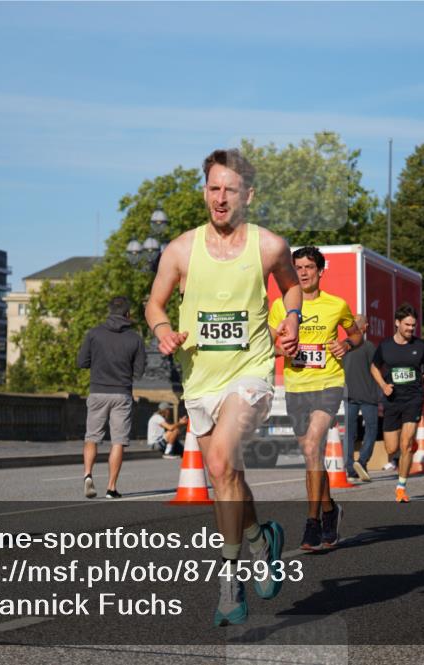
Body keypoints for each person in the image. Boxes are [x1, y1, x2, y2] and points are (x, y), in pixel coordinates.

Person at [145, 148, 301, 627]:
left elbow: (291, 286)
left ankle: (229, 582)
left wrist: (291, 320)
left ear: (248, 195)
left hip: (251, 372)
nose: (220, 197)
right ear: (205, 192)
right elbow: (154, 303)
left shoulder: (270, 246)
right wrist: (163, 330)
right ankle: (260, 539)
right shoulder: (180, 250)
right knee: (226, 476)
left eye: (230, 189)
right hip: (200, 380)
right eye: (213, 188)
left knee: (219, 463)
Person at [268, 246, 362, 550]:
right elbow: (267, 345)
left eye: (309, 267)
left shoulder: (336, 305)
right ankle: (330, 510)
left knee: (311, 446)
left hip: (328, 384)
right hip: (295, 387)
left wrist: (346, 345)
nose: (303, 273)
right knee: (312, 456)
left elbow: (357, 334)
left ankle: (312, 524)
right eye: (297, 268)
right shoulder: (281, 307)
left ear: (321, 271)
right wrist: (282, 350)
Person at [77, 296, 146, 500]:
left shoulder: (94, 334)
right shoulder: (135, 338)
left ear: (109, 312)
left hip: (98, 391)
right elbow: (139, 371)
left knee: (92, 437)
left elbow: (82, 362)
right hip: (121, 393)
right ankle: (111, 488)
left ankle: (88, 474)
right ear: (128, 314)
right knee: (118, 441)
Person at [370, 303, 424, 503]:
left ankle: (401, 486)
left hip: (414, 398)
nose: (411, 329)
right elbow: (374, 367)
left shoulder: (420, 346)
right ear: (397, 323)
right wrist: (383, 385)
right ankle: (407, 446)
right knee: (391, 449)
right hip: (392, 399)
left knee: (406, 444)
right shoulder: (385, 346)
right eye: (407, 325)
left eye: (413, 325)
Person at [342, 314, 379, 482]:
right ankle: (362, 461)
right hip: (368, 395)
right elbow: (376, 370)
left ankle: (349, 467)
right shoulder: (369, 346)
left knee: (349, 432)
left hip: (349, 395)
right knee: (371, 429)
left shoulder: (343, 347)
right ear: (364, 327)